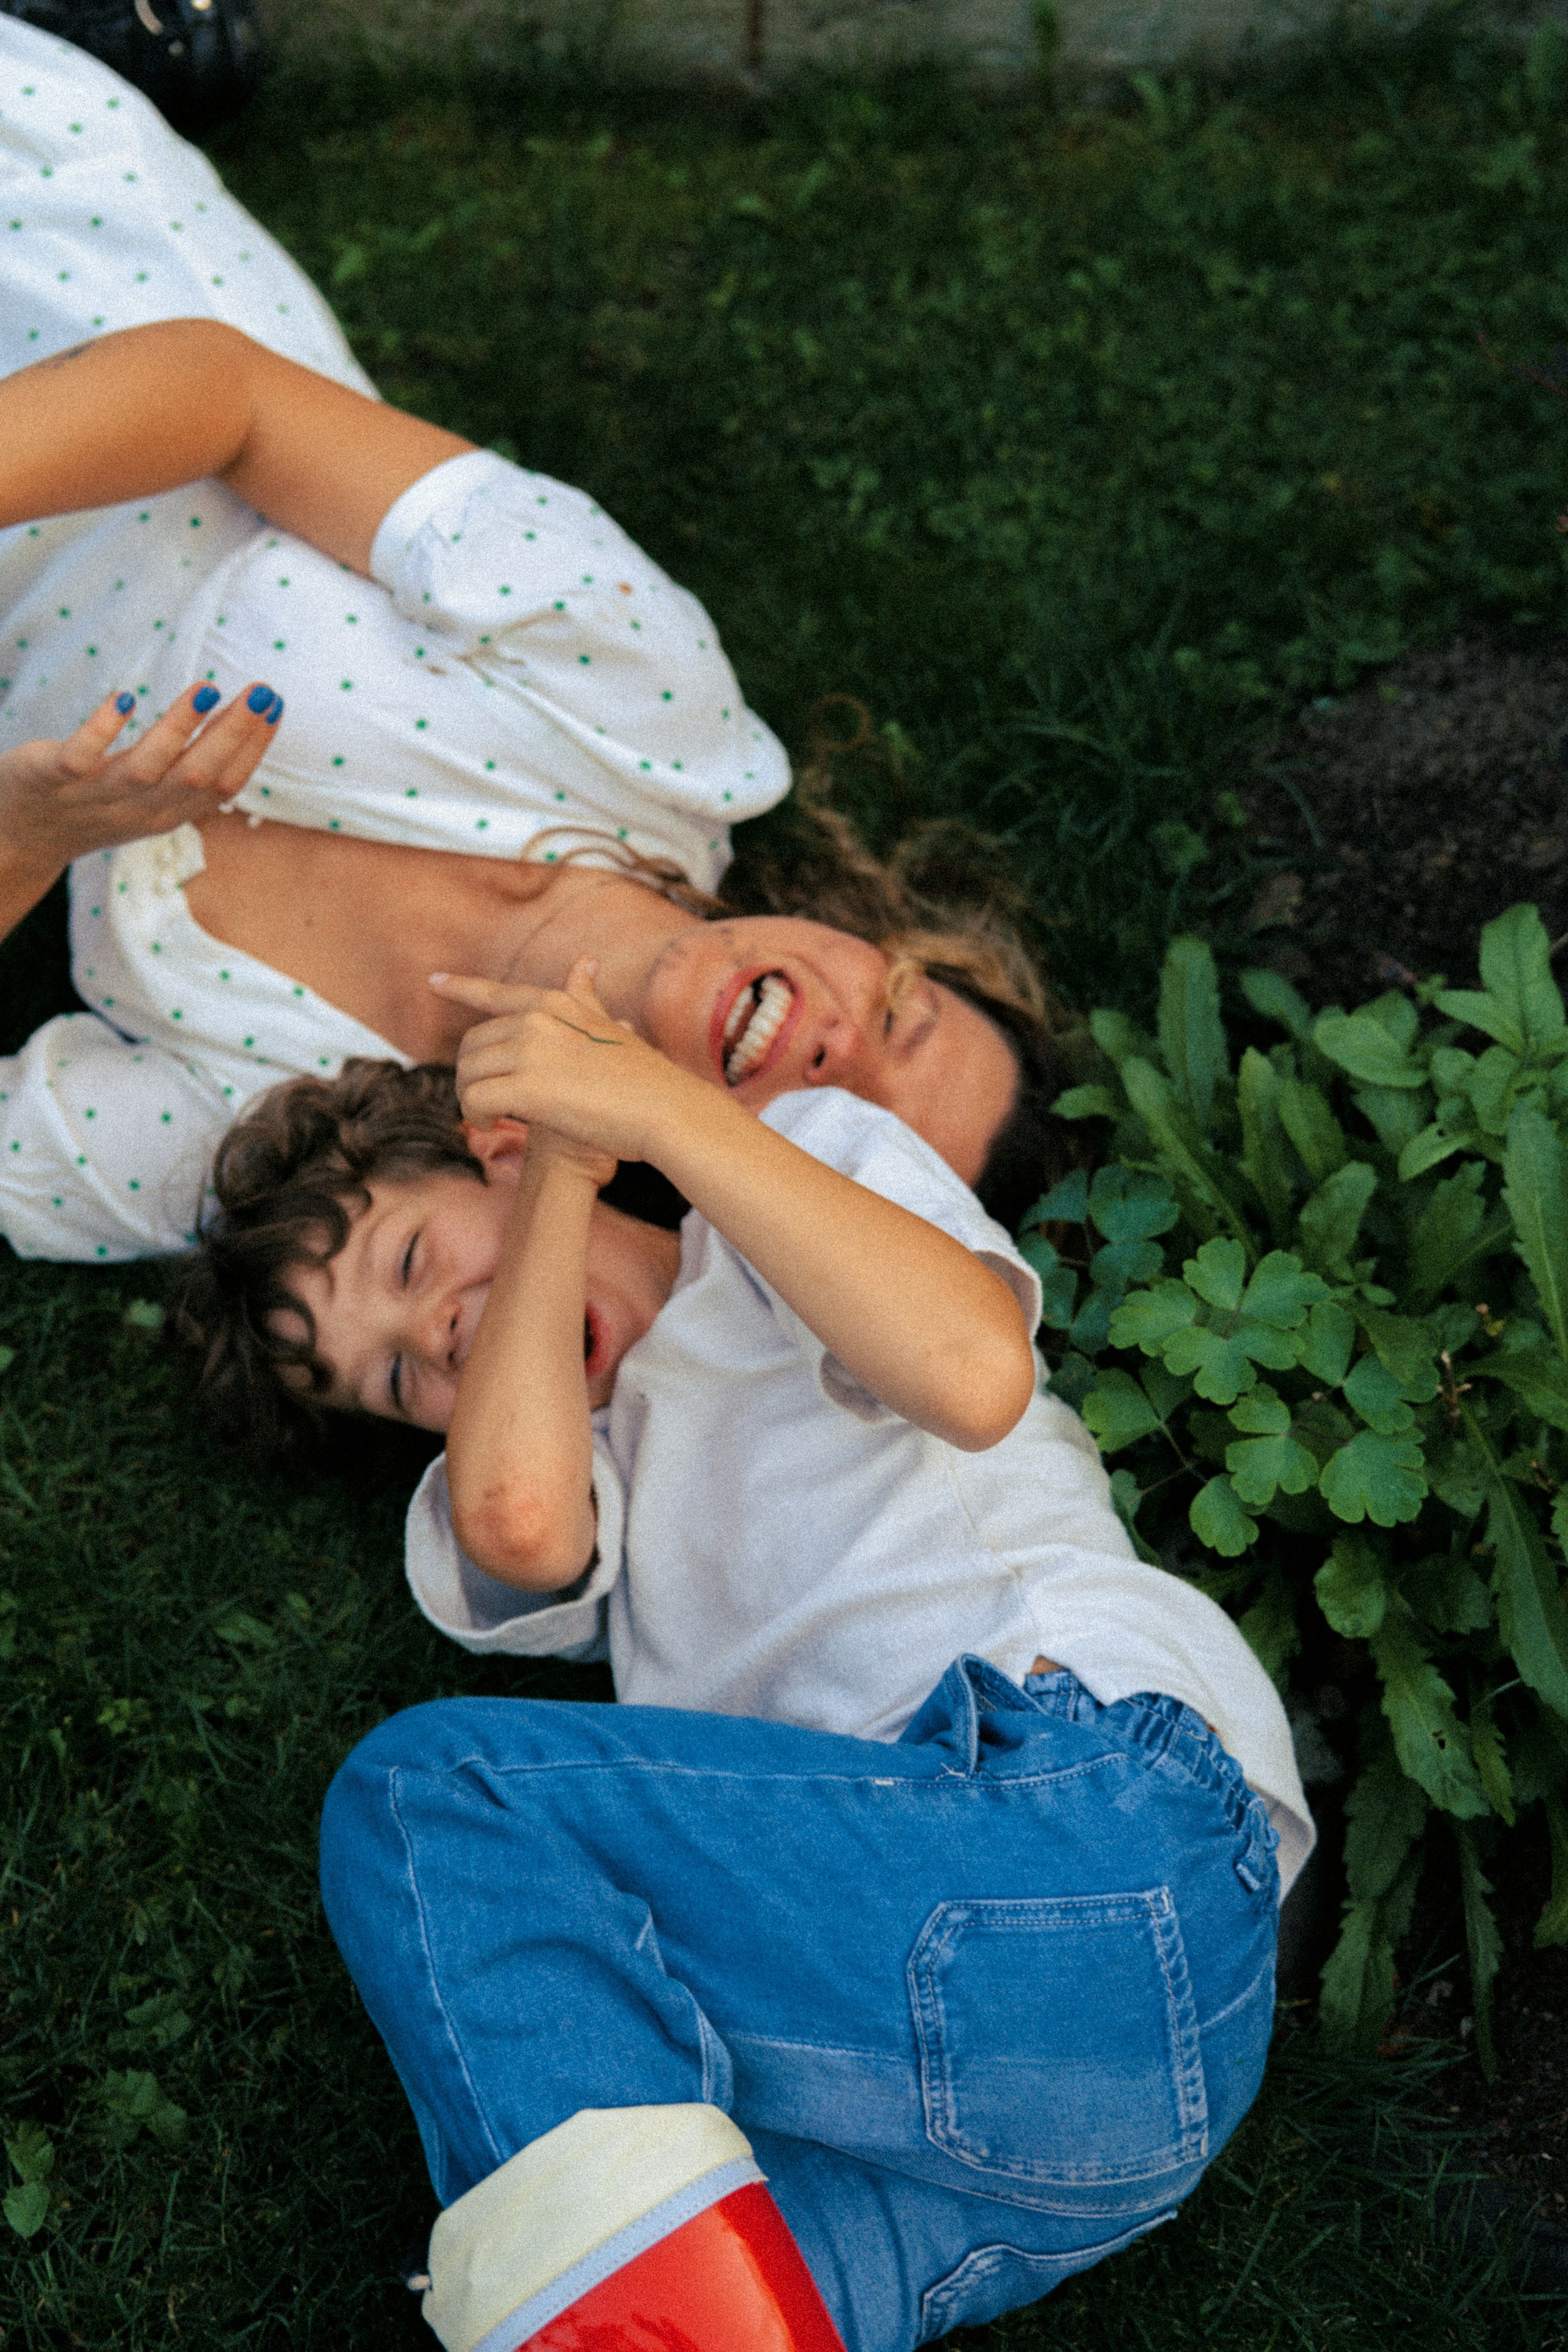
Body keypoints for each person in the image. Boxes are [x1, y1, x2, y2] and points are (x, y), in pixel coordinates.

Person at [266, 965, 1310, 2350]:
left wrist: (614, 1123)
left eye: (412, 1263)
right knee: (626, 2304)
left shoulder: (778, 1193)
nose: (441, 1332)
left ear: (492, 1147)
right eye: (399, 1380)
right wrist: (555, 1188)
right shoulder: (578, 1495)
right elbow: (517, 1513)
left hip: (1082, 1821)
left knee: (432, 1802)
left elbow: (971, 1373)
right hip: (1011, 2131)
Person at [0, 16, 1054, 1271]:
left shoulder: (328, 1164)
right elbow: (231, 398)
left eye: (850, 1134)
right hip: (58, 285)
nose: (839, 1044)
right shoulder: (651, 713)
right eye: (899, 1014)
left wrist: (27, 837)